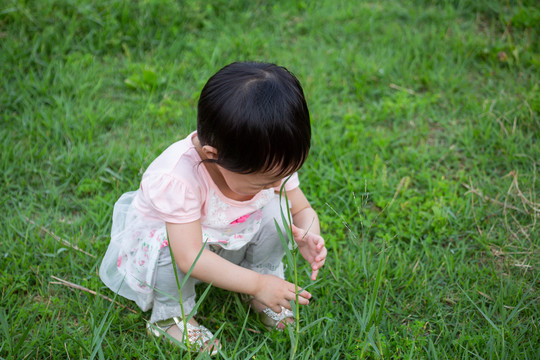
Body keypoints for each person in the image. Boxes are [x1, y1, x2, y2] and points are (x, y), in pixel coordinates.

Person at [99, 61, 327, 355]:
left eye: (281, 176)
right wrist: (256, 284)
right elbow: (188, 257)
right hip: (176, 249)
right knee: (168, 245)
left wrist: (310, 233)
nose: (274, 184)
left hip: (224, 237)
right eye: (264, 181)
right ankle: (170, 317)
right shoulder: (178, 179)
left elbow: (302, 209)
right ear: (213, 156)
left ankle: (261, 280)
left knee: (280, 210)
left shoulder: (271, 163)